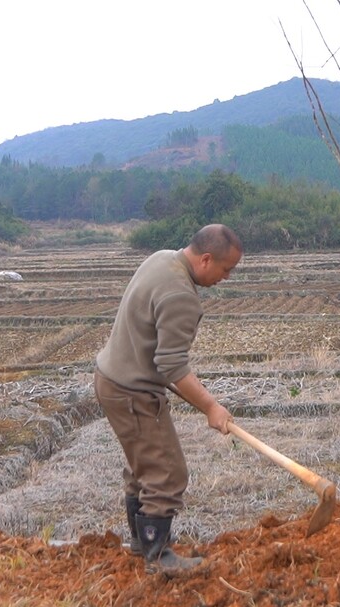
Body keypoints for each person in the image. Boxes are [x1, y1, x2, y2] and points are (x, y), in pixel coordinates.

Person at [93, 224, 242, 575]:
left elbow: (160, 356)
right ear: (206, 259)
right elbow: (172, 365)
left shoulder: (161, 259)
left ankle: (139, 542)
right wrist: (211, 407)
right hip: (133, 391)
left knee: (143, 467)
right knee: (167, 472)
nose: (227, 277)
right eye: (226, 269)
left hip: (112, 379)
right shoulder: (182, 297)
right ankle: (158, 557)